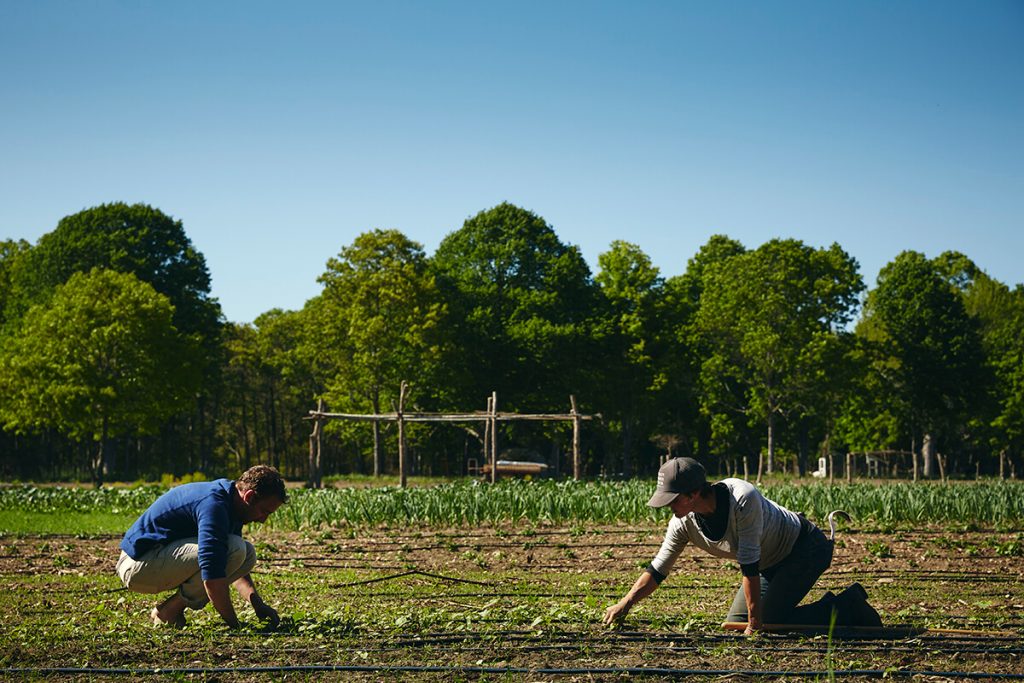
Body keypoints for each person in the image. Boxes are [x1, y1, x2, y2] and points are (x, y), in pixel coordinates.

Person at [603, 457, 881, 634]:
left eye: (673, 499)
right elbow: (658, 569)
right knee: (737, 621)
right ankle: (795, 611)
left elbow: (748, 565)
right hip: (768, 562)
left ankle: (848, 606)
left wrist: (756, 622)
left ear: (695, 493)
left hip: (804, 549)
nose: (668, 506)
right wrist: (625, 604)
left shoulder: (742, 499)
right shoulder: (683, 522)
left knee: (769, 623)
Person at [116, 464, 287, 629]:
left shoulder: (232, 501)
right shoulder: (214, 505)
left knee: (246, 553)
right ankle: (169, 613)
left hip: (154, 560)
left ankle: (169, 610)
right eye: (264, 511)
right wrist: (235, 625)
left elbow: (233, 563)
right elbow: (212, 576)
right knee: (234, 549)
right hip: (138, 565)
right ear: (248, 497)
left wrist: (256, 603)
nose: (263, 519)